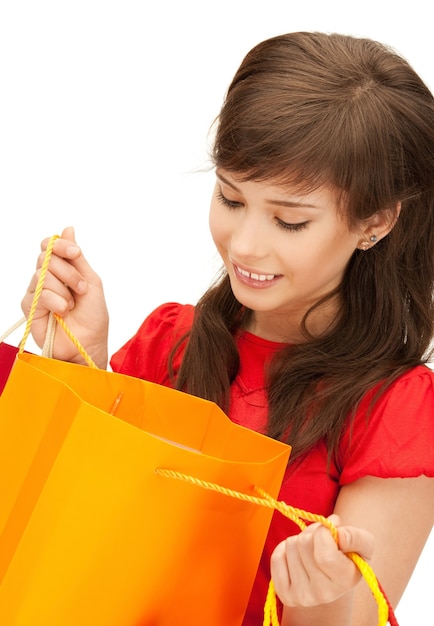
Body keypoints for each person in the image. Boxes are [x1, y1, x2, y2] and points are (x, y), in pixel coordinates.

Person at [21, 31, 434, 626]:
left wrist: (319, 601)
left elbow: (354, 617)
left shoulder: (394, 412)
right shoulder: (170, 343)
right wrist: (79, 363)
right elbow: (71, 536)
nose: (244, 245)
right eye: (231, 198)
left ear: (376, 222)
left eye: (290, 221)